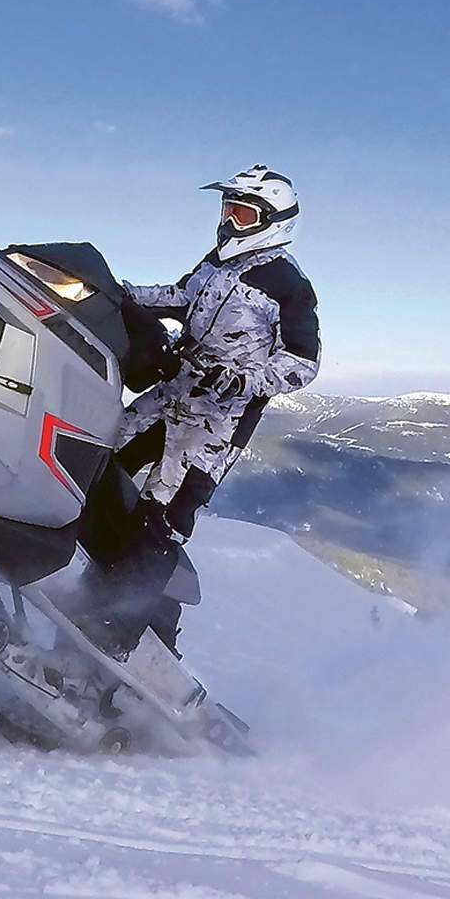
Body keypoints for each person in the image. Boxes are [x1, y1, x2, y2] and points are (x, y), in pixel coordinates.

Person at [76, 165, 321, 655]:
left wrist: (244, 378)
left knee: (162, 518)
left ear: (272, 220)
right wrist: (117, 294)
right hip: (171, 394)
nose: (231, 220)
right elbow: (181, 296)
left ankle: (122, 634)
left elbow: (303, 362)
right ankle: (91, 578)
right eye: (229, 209)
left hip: (215, 422)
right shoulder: (217, 264)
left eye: (244, 212)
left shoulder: (288, 284)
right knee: (99, 464)